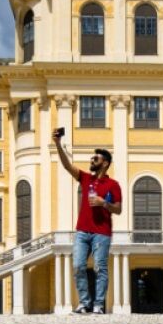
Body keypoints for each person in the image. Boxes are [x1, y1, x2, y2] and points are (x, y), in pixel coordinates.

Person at [53, 129, 122, 314]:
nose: (92, 161)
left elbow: (119, 209)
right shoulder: (85, 178)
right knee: (78, 266)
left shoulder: (113, 185)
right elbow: (67, 166)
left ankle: (99, 304)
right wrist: (58, 144)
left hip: (102, 232)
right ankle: (84, 303)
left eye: (96, 159)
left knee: (100, 268)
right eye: (92, 158)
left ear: (105, 163)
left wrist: (103, 203)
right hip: (82, 231)